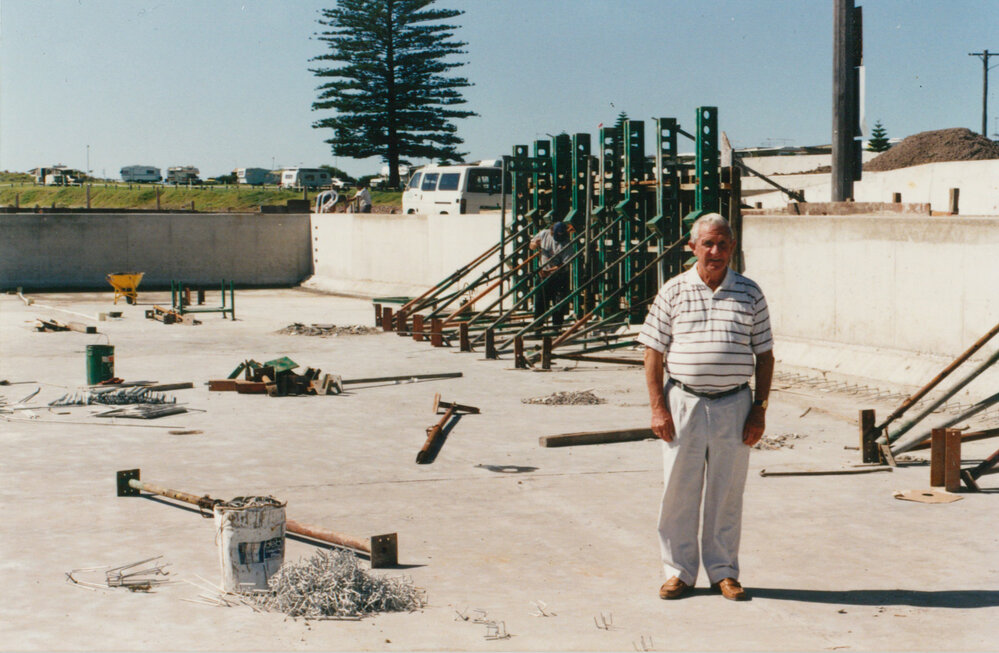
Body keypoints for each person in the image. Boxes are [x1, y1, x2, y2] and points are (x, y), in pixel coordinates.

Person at [637, 212, 774, 602]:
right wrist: (657, 408)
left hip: (735, 405)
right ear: (692, 246)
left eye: (723, 244)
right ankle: (678, 572)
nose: (716, 251)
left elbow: (765, 356)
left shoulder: (750, 292)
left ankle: (724, 572)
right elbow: (652, 352)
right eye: (708, 243)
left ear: (732, 247)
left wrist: (759, 409)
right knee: (678, 492)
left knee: (727, 493)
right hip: (683, 403)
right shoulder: (674, 290)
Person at [529, 221, 572, 329]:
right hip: (544, 275)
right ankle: (538, 327)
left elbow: (564, 264)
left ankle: (556, 328)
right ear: (552, 232)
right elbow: (531, 245)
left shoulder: (567, 243)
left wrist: (550, 270)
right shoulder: (544, 234)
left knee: (558, 304)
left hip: (559, 276)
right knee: (540, 302)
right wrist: (535, 244)